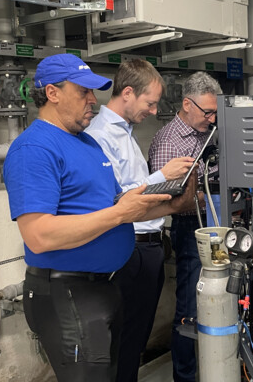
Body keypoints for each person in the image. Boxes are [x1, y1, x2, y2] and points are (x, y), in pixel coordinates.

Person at [3, 53, 196, 382]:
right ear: (52, 93)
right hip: (66, 292)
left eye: (93, 92)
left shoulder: (87, 143)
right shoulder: (34, 149)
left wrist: (172, 206)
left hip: (103, 286)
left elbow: (119, 203)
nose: (93, 100)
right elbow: (39, 235)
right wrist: (120, 213)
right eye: (83, 92)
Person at [85, 58, 194, 382]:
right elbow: (115, 199)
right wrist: (163, 176)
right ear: (128, 93)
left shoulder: (125, 134)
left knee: (135, 340)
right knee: (121, 344)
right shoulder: (100, 136)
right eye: (150, 103)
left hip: (147, 248)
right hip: (128, 248)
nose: (153, 110)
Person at [148, 71, 221, 382]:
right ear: (187, 105)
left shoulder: (208, 132)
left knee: (223, 296)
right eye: (208, 112)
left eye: (216, 112)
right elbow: (169, 199)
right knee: (190, 307)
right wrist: (213, 194)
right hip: (191, 229)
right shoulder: (169, 141)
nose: (213, 119)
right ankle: (185, 376)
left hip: (217, 225)